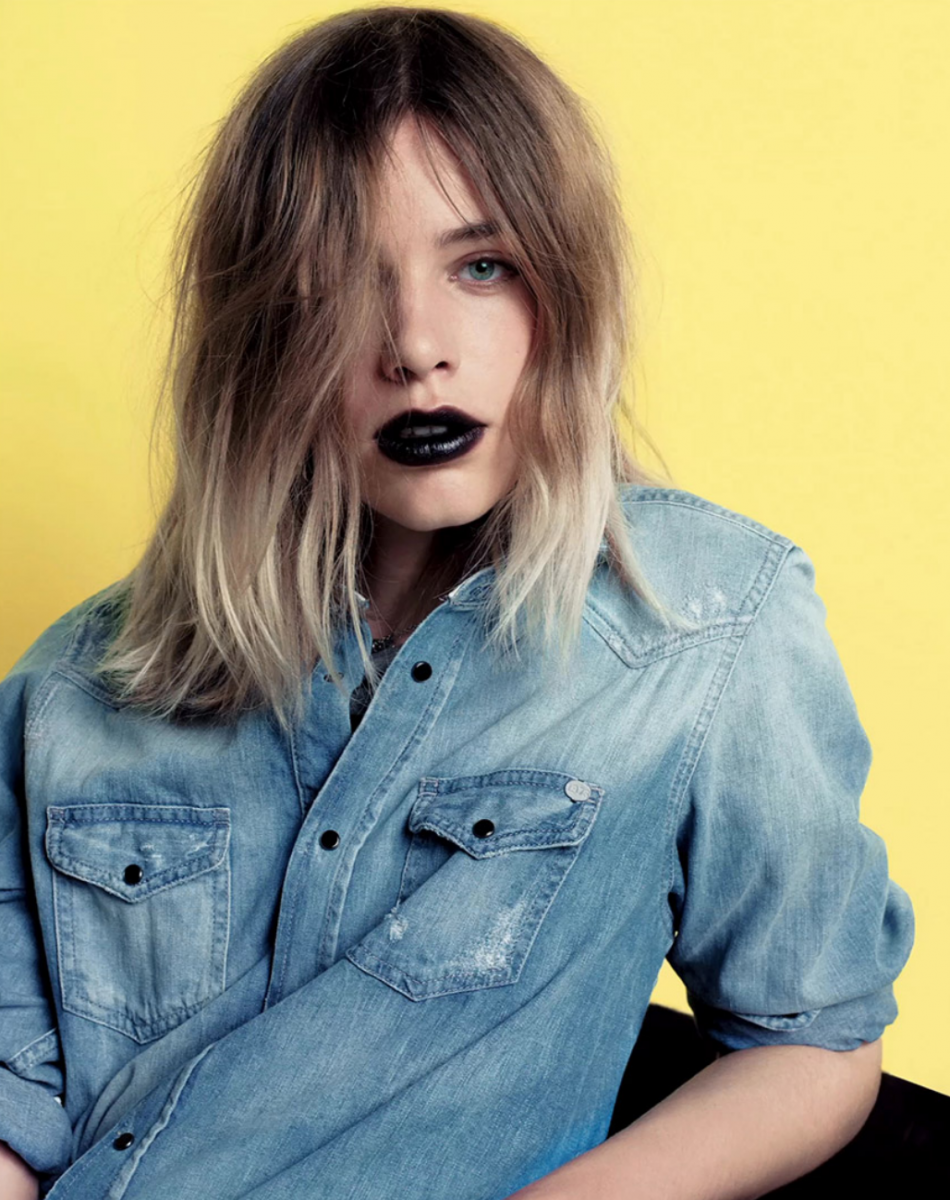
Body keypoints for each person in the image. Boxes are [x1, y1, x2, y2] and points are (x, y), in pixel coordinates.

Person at [0, 7, 914, 1200]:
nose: (415, 347)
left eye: (481, 266)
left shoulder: (707, 628)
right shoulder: (81, 685)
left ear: (565, 291)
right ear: (263, 329)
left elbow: (813, 1036)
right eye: (342, 282)